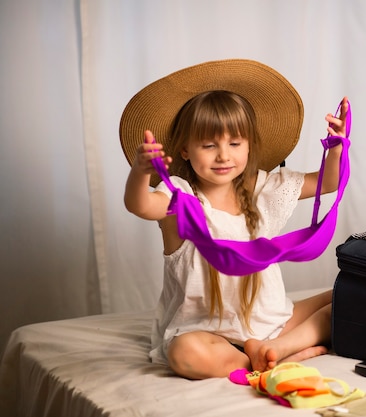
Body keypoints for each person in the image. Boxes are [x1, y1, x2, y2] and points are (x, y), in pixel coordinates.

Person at [119, 59, 349, 380]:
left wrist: (337, 147)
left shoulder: (263, 188)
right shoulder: (182, 198)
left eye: (235, 143)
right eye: (209, 145)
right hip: (209, 332)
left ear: (249, 144)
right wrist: (141, 174)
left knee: (349, 295)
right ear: (185, 150)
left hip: (270, 321)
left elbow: (328, 182)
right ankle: (275, 354)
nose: (224, 156)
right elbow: (140, 205)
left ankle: (277, 349)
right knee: (186, 354)